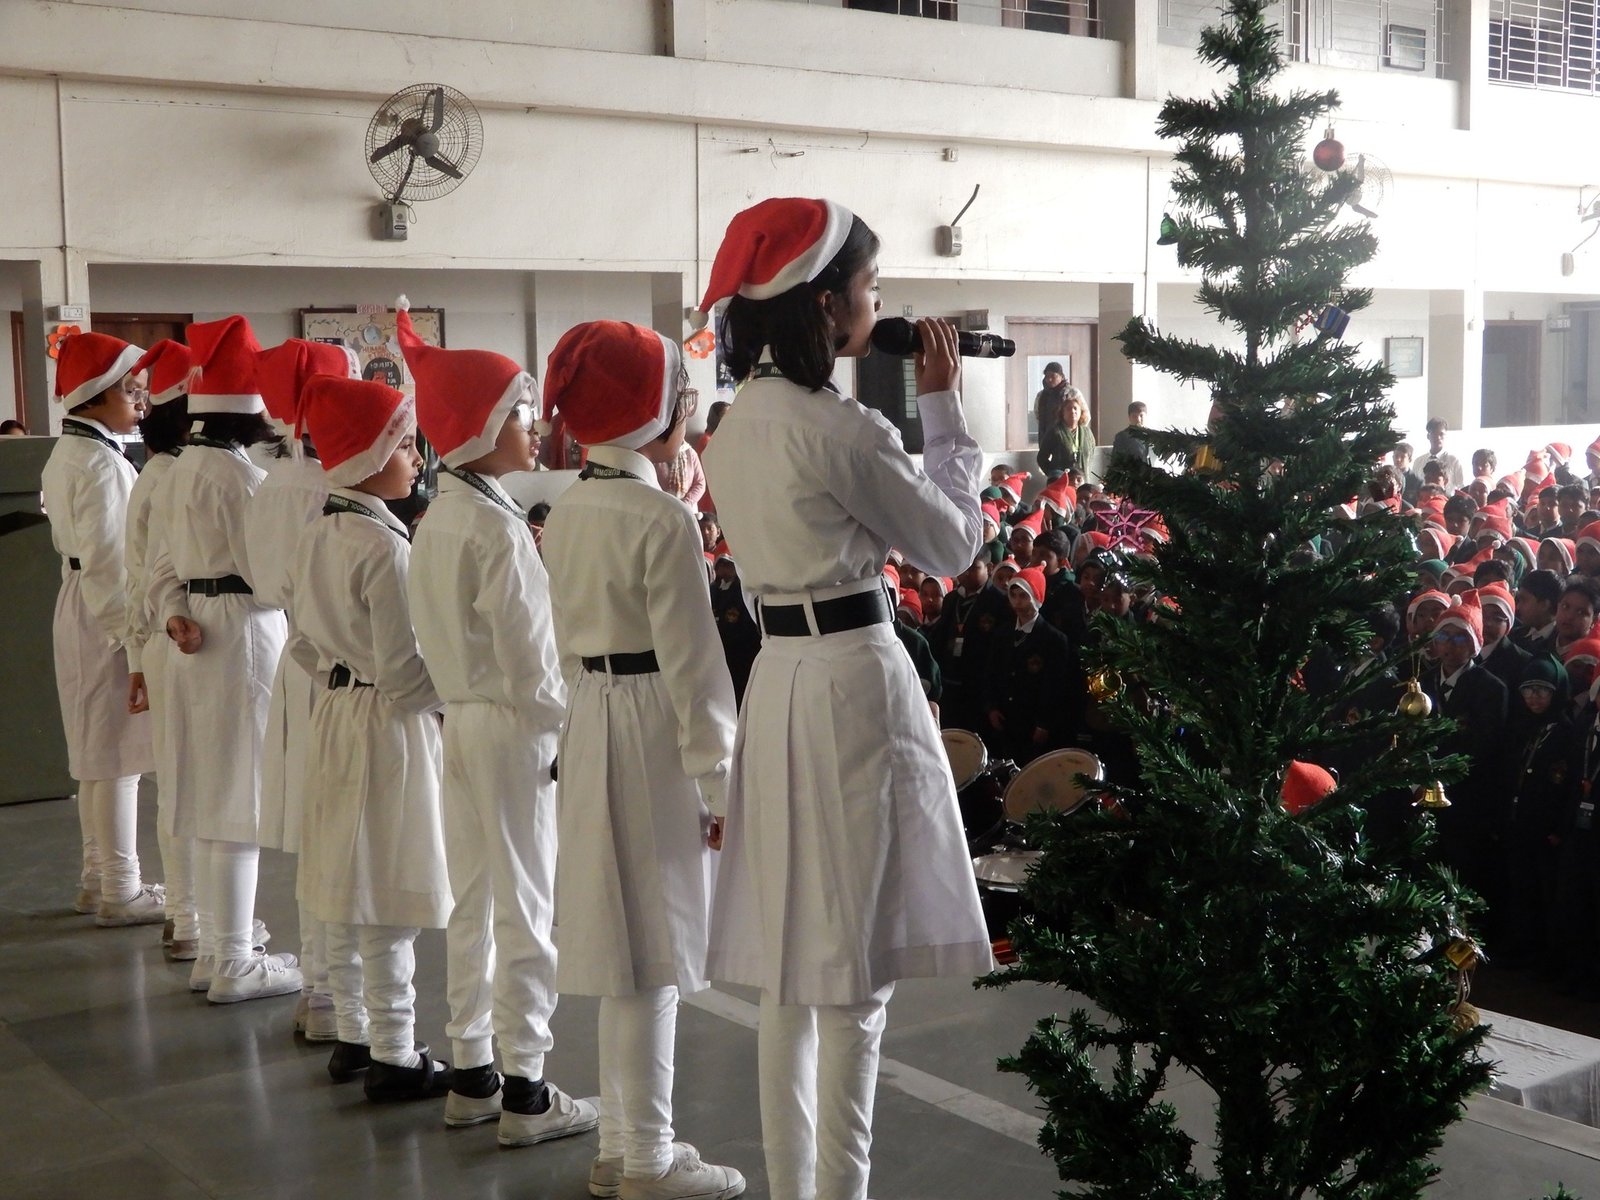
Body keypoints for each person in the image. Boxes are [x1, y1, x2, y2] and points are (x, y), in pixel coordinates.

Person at [698, 197, 992, 1200]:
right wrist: (943, 409)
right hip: (851, 685)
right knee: (856, 977)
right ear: (825, 305)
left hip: (779, 682)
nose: (878, 301)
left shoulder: (736, 425)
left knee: (792, 969)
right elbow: (953, 543)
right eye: (870, 285)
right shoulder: (843, 429)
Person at [539, 319, 743, 1199]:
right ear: (653, 412)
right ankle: (647, 1158)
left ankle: (623, 1145)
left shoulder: (568, 507)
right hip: (652, 725)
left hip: (590, 717)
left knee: (618, 946)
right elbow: (696, 668)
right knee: (654, 950)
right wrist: (720, 783)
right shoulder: (661, 519)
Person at [399, 304, 594, 1140]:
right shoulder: (496, 529)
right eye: (517, 412)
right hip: (516, 729)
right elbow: (533, 662)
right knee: (526, 906)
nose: (533, 427)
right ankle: (527, 1087)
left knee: (474, 900)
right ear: (480, 427)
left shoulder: (439, 518)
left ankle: (473, 1068)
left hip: (463, 724)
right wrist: (567, 732)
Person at [288, 371, 450, 1101]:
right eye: (404, 445)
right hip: (387, 723)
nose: (415, 458)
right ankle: (396, 1050)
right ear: (367, 458)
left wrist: (342, 674)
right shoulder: (385, 547)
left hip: (334, 714)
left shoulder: (317, 534)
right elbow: (406, 669)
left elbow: (300, 644)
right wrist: (455, 698)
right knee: (387, 890)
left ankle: (354, 1035)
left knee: (344, 885)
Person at [149, 316, 300, 1002]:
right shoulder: (242, 477)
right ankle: (235, 959)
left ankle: (215, 949)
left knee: (212, 794)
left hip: (195, 630)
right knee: (241, 797)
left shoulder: (181, 466)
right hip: (243, 630)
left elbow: (161, 565)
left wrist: (172, 611)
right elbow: (266, 573)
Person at [245, 338, 363, 1042]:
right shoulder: (327, 489)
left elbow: (266, 584)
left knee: (316, 832)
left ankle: (320, 986)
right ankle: (337, 997)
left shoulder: (271, 482)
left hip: (295, 657)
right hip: (337, 666)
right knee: (342, 834)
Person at [42, 331, 160, 926]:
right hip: (105, 612)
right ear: (92, 396)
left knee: (95, 752)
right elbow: (111, 565)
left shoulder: (71, 451)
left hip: (80, 601)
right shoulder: (102, 464)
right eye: (129, 390)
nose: (140, 400)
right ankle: (121, 888)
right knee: (117, 755)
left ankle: (98, 878)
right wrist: (135, 647)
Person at [124, 339, 193, 956]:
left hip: (156, 637)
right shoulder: (176, 477)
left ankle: (185, 912)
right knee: (193, 785)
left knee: (179, 780)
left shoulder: (156, 473)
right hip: (176, 636)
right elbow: (153, 573)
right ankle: (193, 917)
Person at [983, 566, 1081, 765]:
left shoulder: (1054, 639)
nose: (1017, 602)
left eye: (1023, 596)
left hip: (1031, 719)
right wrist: (991, 706)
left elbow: (1053, 685)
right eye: (1013, 595)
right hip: (1004, 717)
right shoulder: (1002, 633)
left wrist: (1044, 723)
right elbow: (991, 672)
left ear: (1036, 598)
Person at [1417, 418, 1464, 490]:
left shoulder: (1453, 461)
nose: (1438, 437)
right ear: (1428, 436)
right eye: (1434, 434)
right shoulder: (1418, 462)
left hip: (1448, 497)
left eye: (1441, 434)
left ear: (1445, 435)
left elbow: (1461, 486)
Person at [1033, 362, 1067, 448]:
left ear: (1062, 376)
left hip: (1067, 440)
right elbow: (1037, 416)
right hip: (1045, 438)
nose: (1049, 379)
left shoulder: (1070, 393)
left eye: (1053, 376)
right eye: (1047, 376)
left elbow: (1085, 417)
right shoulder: (1041, 395)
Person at [1110, 401, 1150, 469]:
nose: (1138, 419)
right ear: (1129, 417)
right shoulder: (1122, 437)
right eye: (1134, 416)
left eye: (1141, 415)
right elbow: (1116, 462)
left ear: (1146, 416)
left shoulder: (1152, 436)